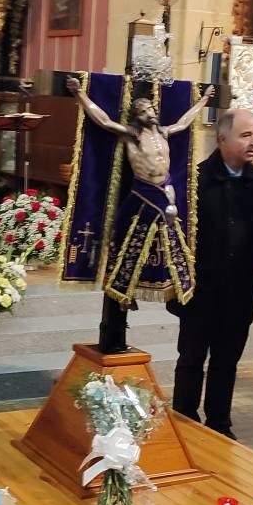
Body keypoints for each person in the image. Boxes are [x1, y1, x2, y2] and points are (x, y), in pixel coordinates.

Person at [66, 76, 214, 353]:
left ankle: (177, 290)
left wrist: (204, 100)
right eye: (145, 111)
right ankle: (124, 294)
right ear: (137, 116)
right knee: (127, 246)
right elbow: (104, 121)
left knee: (172, 243)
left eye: (152, 109)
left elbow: (185, 121)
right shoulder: (132, 134)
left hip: (166, 193)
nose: (151, 113)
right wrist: (80, 95)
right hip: (143, 193)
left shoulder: (165, 133)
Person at [169, 109, 253, 440]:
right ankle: (182, 418)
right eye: (245, 135)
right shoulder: (194, 181)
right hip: (200, 292)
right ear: (222, 139)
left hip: (239, 292)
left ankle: (219, 425)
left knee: (227, 361)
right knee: (192, 358)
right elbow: (177, 239)